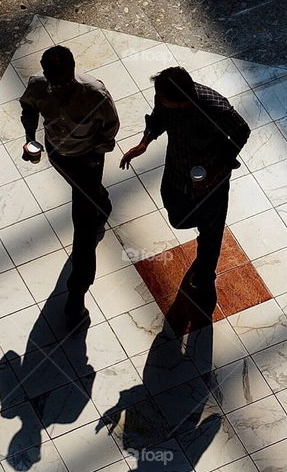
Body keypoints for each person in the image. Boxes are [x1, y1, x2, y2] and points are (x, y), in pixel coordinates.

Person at [120, 66, 250, 291]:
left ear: (181, 101)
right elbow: (158, 118)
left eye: (163, 98)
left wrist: (218, 168)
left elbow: (242, 131)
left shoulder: (215, 107)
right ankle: (205, 225)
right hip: (177, 169)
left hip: (211, 179)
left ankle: (205, 273)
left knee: (211, 233)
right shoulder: (164, 97)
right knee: (178, 217)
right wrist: (145, 142)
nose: (158, 99)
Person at [20, 45, 120, 323]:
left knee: (84, 231)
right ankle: (100, 200)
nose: (59, 88)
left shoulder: (94, 94)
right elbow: (28, 106)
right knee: (88, 200)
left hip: (88, 160)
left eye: (64, 81)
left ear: (73, 71)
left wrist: (95, 157)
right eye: (54, 82)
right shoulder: (39, 86)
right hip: (59, 155)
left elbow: (110, 128)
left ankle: (76, 296)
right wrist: (30, 137)